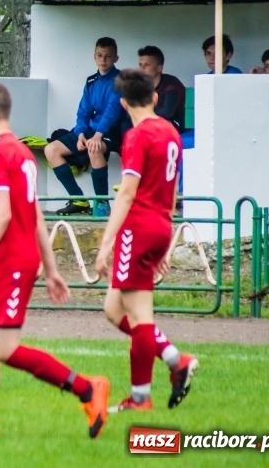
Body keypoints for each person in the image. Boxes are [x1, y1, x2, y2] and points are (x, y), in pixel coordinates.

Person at [0, 83, 109, 441]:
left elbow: (2, 215)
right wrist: (51, 269)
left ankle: (87, 388)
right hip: (11, 260)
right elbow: (34, 215)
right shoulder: (23, 154)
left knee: (5, 348)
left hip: (10, 261)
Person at [95, 69, 198, 412]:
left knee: (140, 318)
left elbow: (127, 193)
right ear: (154, 98)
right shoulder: (170, 133)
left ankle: (141, 397)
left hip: (137, 229)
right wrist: (163, 242)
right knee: (114, 309)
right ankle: (173, 358)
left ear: (123, 104)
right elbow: (171, 189)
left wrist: (107, 242)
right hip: (159, 225)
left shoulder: (136, 136)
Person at [44, 37, 125, 217]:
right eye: (100, 55)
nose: (103, 60)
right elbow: (83, 112)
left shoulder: (121, 80)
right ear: (94, 57)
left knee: (94, 148)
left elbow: (112, 112)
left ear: (116, 58)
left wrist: (98, 135)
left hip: (111, 130)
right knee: (51, 150)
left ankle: (102, 204)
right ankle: (78, 200)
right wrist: (80, 133)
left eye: (108, 56)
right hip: (89, 130)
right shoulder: (91, 81)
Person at [137, 46, 186, 133]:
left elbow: (167, 112)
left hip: (178, 126)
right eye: (140, 65)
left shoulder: (171, 83)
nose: (142, 68)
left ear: (159, 68)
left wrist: (143, 113)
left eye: (147, 65)